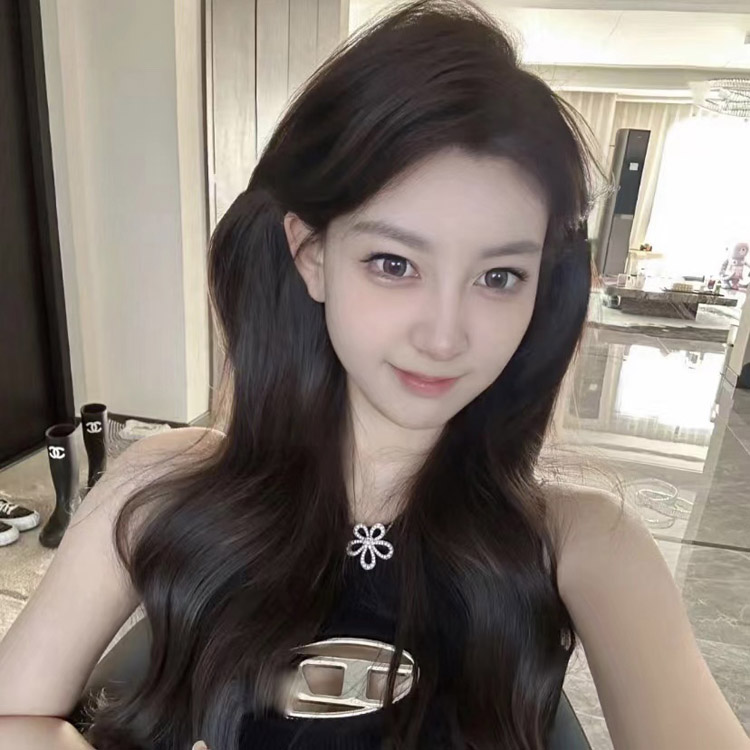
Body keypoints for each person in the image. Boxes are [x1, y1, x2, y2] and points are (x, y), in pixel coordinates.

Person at [1, 1, 748, 749]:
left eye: (498, 277)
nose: (444, 336)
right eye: (394, 264)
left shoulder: (583, 544)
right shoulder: (163, 482)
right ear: (313, 255)